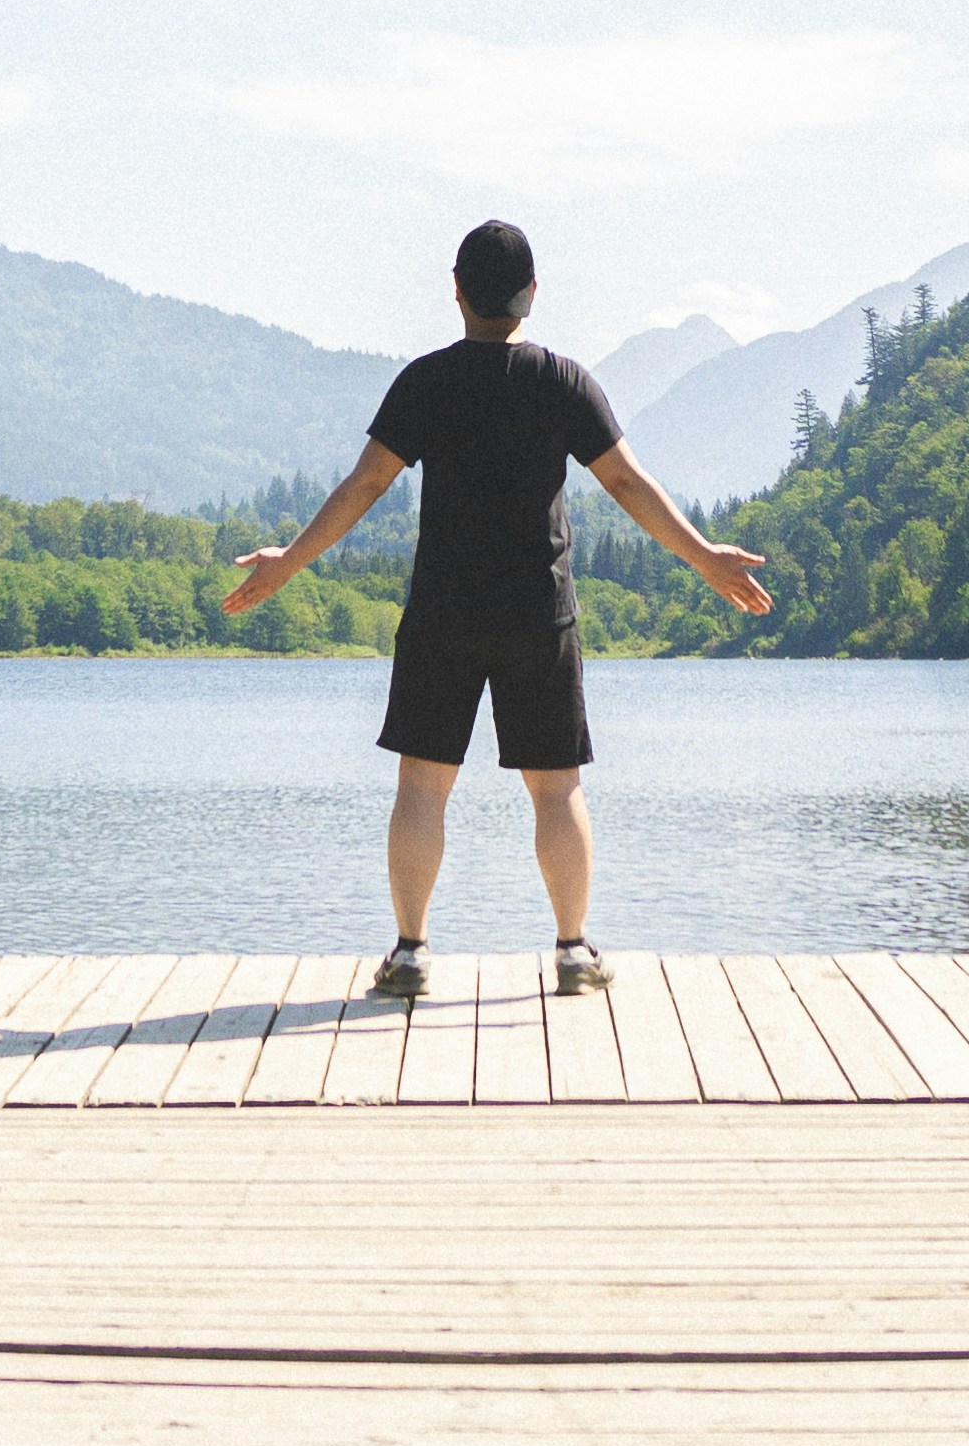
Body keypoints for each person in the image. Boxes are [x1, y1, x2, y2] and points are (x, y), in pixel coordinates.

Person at [222, 218, 767, 1003]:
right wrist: (705, 557)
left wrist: (290, 562)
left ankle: (409, 955)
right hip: (537, 616)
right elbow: (627, 484)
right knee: (557, 788)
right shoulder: (564, 382)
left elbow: (366, 484)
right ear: (532, 295)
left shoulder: (425, 383)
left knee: (421, 785)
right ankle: (574, 951)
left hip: (443, 611)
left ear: (456, 291)